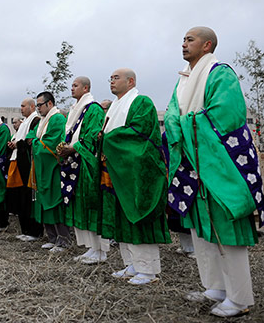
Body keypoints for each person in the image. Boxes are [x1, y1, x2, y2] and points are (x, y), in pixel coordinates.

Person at [165, 27, 264, 317]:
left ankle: (240, 297)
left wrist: (186, 124)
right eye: (183, 39)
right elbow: (172, 113)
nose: (183, 44)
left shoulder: (221, 73)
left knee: (226, 231)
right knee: (201, 231)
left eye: (190, 39)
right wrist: (180, 123)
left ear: (207, 45)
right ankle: (215, 287)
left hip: (219, 167)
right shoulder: (183, 80)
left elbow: (226, 114)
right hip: (192, 167)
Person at [101, 68, 170, 285]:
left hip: (137, 171)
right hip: (118, 170)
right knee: (122, 216)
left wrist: (108, 139)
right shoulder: (115, 106)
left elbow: (139, 133)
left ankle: (148, 271)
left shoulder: (142, 102)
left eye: (116, 77)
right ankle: (131, 264)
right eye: (110, 78)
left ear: (131, 81)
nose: (111, 81)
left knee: (138, 215)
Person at [56, 76, 107, 264]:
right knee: (78, 206)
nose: (72, 88)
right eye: (71, 85)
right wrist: (63, 148)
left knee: (89, 205)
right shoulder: (74, 110)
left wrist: (74, 148)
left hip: (85, 163)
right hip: (72, 162)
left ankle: (101, 250)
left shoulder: (93, 108)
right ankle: (91, 248)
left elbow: (93, 135)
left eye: (75, 85)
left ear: (86, 88)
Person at [32, 91, 71, 252]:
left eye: (40, 105)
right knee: (44, 200)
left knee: (55, 201)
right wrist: (35, 141)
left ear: (49, 104)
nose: (38, 109)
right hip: (42, 167)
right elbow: (35, 137)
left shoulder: (57, 118)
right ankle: (52, 237)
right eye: (36, 106)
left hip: (52, 167)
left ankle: (63, 240)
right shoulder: (42, 121)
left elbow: (53, 141)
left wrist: (35, 143)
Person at [6, 98, 43, 241]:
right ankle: (25, 229)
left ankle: (34, 231)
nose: (21, 108)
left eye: (23, 106)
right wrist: (14, 144)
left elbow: (30, 141)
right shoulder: (24, 122)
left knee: (29, 197)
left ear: (32, 107)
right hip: (18, 161)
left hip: (28, 164)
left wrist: (18, 144)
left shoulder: (35, 121)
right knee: (20, 196)